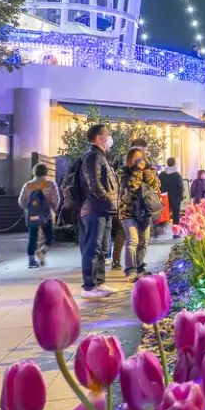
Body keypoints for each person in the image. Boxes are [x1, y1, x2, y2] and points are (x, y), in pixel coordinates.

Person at [76, 123, 120, 298]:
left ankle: (99, 282)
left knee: (102, 248)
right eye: (106, 134)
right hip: (95, 209)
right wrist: (107, 199)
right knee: (92, 248)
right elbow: (94, 184)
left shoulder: (100, 156)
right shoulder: (92, 156)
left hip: (104, 209)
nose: (109, 137)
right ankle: (89, 286)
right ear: (98, 137)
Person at [119, 140, 164, 275]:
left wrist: (148, 173)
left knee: (143, 242)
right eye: (136, 157)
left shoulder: (148, 169)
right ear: (130, 158)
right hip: (128, 210)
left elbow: (155, 185)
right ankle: (130, 270)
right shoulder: (123, 171)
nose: (139, 159)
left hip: (144, 210)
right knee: (132, 241)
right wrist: (138, 170)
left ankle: (139, 267)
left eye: (141, 156)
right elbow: (132, 186)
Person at [17, 162, 59, 268]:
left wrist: (27, 209)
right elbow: (55, 200)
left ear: (34, 172)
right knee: (49, 238)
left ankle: (31, 262)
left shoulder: (28, 185)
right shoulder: (51, 184)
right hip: (46, 215)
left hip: (32, 215)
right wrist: (53, 209)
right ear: (46, 172)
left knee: (32, 238)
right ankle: (42, 251)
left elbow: (21, 201)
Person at [159, 157, 185, 236]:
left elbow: (158, 185)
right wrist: (181, 196)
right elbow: (180, 187)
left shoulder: (162, 174)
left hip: (164, 197)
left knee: (163, 213)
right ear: (174, 164)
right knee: (176, 215)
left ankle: (160, 230)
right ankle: (176, 231)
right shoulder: (177, 175)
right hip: (175, 198)